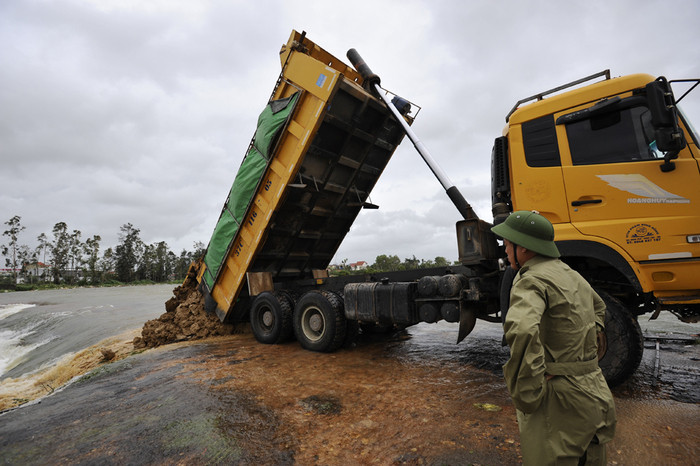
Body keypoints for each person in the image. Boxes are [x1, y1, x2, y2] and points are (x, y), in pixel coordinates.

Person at [491, 210, 616, 465]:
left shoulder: (531, 279)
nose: (504, 250)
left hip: (559, 398)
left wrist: (529, 389)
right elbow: (599, 307)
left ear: (523, 248)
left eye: (507, 243)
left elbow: (523, 330)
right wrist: (586, 353)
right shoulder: (569, 273)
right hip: (594, 388)